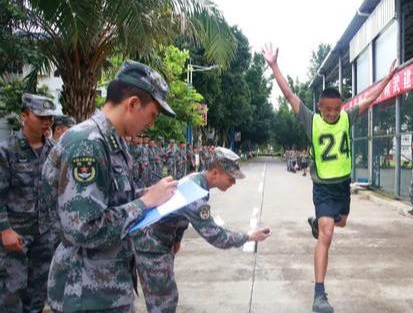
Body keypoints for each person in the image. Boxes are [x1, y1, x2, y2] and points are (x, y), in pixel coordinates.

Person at [262, 43, 398, 313]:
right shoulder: (311, 120)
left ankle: (317, 222)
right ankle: (319, 294)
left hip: (343, 187)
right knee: (328, 233)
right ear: (320, 107)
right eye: (328, 110)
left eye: (337, 109)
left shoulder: (348, 117)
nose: (333, 114)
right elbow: (289, 95)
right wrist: (274, 65)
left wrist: (388, 78)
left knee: (341, 222)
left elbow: (369, 98)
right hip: (323, 187)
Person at [41, 60, 178, 312]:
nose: (151, 124)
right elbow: (84, 227)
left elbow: (110, 201)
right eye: (152, 115)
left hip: (106, 287)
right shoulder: (88, 145)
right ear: (133, 104)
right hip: (85, 292)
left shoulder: (111, 142)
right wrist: (145, 202)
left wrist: (149, 195)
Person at [133, 147, 271, 313]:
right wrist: (249, 237)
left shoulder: (196, 180)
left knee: (165, 299)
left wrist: (176, 240)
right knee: (163, 303)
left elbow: (179, 215)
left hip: (157, 241)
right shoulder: (196, 193)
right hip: (150, 245)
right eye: (231, 178)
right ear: (215, 173)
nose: (233, 183)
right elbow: (216, 236)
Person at [0, 94, 56, 313]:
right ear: (24, 116)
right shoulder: (7, 150)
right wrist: (5, 230)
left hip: (44, 237)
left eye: (49, 117)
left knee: (37, 297)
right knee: (11, 296)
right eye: (41, 116)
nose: (47, 121)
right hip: (16, 238)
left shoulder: (54, 151)